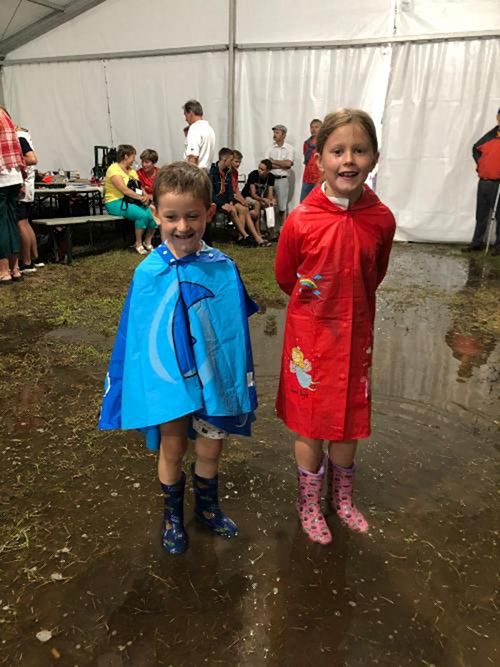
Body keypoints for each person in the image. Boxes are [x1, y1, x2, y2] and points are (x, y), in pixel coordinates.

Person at [98, 161, 258, 555]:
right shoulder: (148, 273)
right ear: (155, 214)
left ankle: (207, 507)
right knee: (172, 447)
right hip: (169, 380)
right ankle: (172, 514)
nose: (182, 226)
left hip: (214, 379)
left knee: (211, 447)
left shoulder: (222, 268)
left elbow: (231, 331)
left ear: (210, 212)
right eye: (171, 217)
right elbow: (138, 339)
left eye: (192, 216)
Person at [275, 108, 396, 545]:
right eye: (338, 151)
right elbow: (286, 277)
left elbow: (374, 273)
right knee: (311, 423)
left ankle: (342, 500)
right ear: (319, 159)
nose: (348, 160)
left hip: (355, 337)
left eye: (359, 151)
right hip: (309, 339)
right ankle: (308, 503)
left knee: (348, 420)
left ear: (374, 158)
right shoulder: (301, 219)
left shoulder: (381, 219)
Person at [209, 148, 269, 247]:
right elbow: (211, 193)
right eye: (232, 160)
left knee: (244, 209)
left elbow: (230, 190)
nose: (235, 163)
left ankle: (253, 238)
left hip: (227, 200)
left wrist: (231, 201)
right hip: (218, 202)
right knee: (236, 209)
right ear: (225, 160)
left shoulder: (228, 172)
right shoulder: (212, 171)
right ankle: (246, 236)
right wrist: (223, 204)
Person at [104, 144, 157, 255]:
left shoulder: (132, 171)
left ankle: (147, 241)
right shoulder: (114, 169)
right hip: (115, 202)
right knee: (141, 215)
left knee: (153, 216)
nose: (134, 160)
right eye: (133, 157)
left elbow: (138, 187)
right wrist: (141, 198)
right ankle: (138, 243)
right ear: (126, 156)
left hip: (130, 201)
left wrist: (145, 195)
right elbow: (124, 190)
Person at [462, 108, 500, 255]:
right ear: (497, 117)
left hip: (498, 184)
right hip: (483, 182)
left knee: (499, 215)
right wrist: (481, 165)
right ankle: (477, 243)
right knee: (481, 215)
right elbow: (475, 149)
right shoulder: (490, 135)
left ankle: (498, 246)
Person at [0, 106, 25, 285]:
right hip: (14, 176)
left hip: (1, 178)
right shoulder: (5, 116)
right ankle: (15, 268)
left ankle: (3, 271)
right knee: (11, 223)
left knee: (1, 225)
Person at [15, 125, 44, 274]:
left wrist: (13, 161)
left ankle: (26, 262)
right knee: (25, 222)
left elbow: (32, 159)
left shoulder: (19, 138)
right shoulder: (24, 136)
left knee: (21, 224)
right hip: (28, 185)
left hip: (22, 185)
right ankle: (34, 258)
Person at [231, 150, 271, 247]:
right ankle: (254, 237)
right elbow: (252, 194)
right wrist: (242, 201)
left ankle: (248, 237)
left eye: (239, 162)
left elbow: (236, 190)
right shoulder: (252, 174)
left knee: (246, 209)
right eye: (236, 162)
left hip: (238, 198)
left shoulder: (235, 172)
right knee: (248, 208)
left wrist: (242, 201)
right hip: (234, 198)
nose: (238, 164)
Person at [268, 124, 295, 236]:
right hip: (270, 179)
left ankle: (282, 232)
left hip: (282, 180)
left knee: (282, 207)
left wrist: (274, 161)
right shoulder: (270, 148)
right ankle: (271, 232)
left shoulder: (289, 148)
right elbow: (267, 164)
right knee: (269, 205)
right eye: (274, 132)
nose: (274, 135)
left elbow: (288, 164)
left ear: (284, 135)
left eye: (277, 132)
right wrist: (281, 164)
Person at [241, 159, 276, 234]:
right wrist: (263, 200)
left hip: (260, 198)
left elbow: (270, 193)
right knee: (258, 204)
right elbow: (253, 194)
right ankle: (258, 232)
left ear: (268, 171)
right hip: (247, 196)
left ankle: (271, 232)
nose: (259, 170)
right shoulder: (253, 174)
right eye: (259, 168)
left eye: (262, 169)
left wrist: (270, 201)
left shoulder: (271, 177)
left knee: (270, 206)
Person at [183, 100, 216, 169]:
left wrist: (189, 174)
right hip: (206, 172)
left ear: (191, 113)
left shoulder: (194, 128)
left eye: (185, 115)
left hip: (195, 173)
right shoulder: (210, 129)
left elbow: (193, 157)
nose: (185, 119)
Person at [300, 118, 322, 202]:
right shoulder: (306, 143)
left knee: (317, 204)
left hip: (319, 178)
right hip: (307, 178)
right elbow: (307, 161)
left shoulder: (324, 143)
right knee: (303, 203)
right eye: (312, 127)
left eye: (316, 127)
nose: (313, 129)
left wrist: (321, 179)